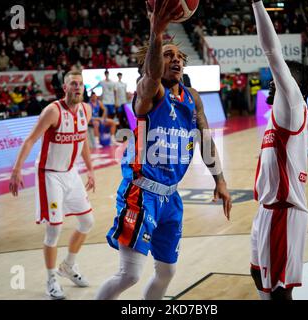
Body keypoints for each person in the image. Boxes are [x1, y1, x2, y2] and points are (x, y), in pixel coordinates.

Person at [95, 0, 232, 300]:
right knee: (129, 274)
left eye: (180, 56)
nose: (176, 60)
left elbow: (206, 140)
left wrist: (219, 180)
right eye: (168, 55)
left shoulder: (192, 98)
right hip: (140, 193)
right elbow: (153, 76)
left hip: (170, 197)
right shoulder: (148, 93)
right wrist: (156, 34)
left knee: (167, 272)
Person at [249, 0, 308, 300]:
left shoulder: (292, 104)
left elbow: (272, 51)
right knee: (257, 273)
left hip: (285, 213)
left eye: (280, 78)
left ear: (293, 85)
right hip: (266, 211)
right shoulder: (276, 115)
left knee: (280, 293)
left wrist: (256, 3)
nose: (272, 80)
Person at [9, 70, 96, 300]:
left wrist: (90, 169)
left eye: (81, 84)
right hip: (49, 175)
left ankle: (68, 266)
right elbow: (30, 140)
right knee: (54, 228)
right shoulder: (53, 111)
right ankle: (50, 279)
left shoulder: (86, 110)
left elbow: (83, 140)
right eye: (73, 84)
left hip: (71, 173)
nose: (78, 87)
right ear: (65, 88)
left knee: (87, 221)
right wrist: (17, 169)